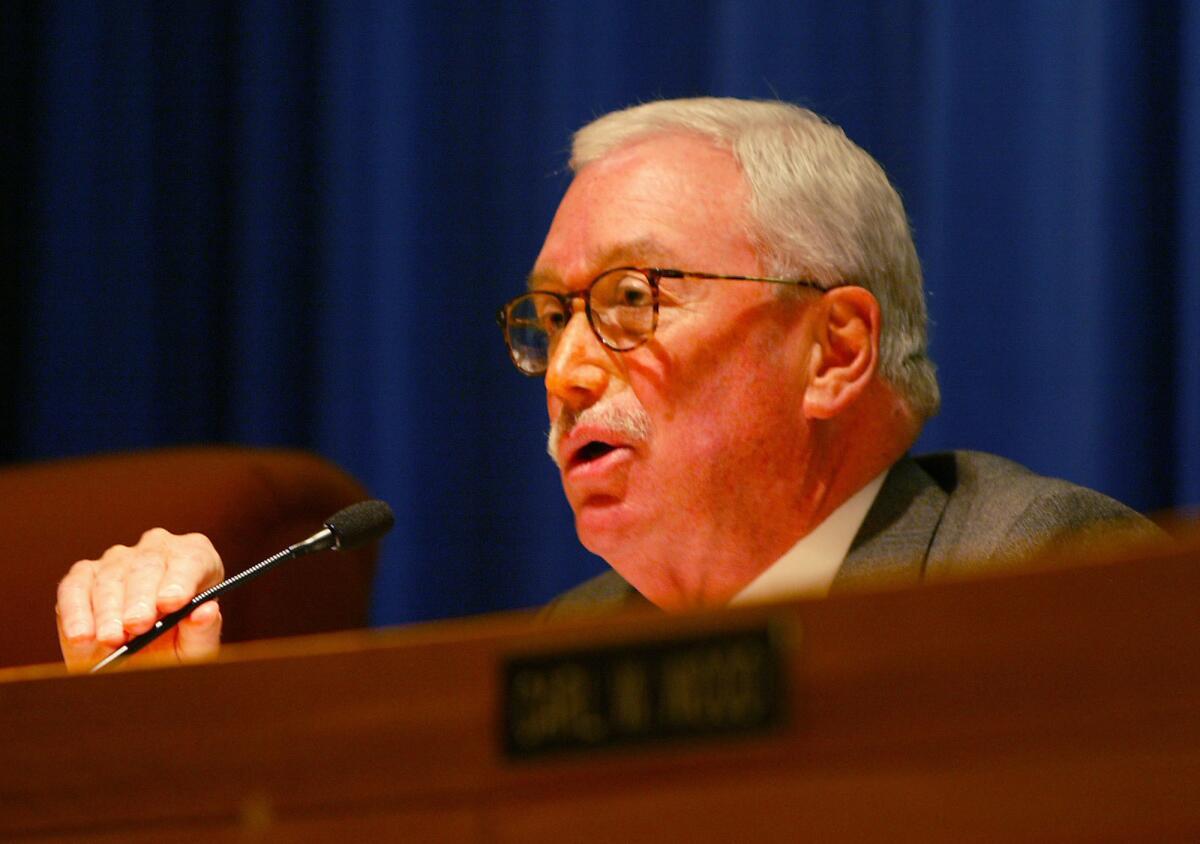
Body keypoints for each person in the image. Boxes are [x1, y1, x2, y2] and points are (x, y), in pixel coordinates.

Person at [55, 97, 1154, 671]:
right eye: (550, 318)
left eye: (632, 300)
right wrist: (174, 699)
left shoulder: (1039, 572)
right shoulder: (572, 643)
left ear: (834, 350)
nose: (570, 371)